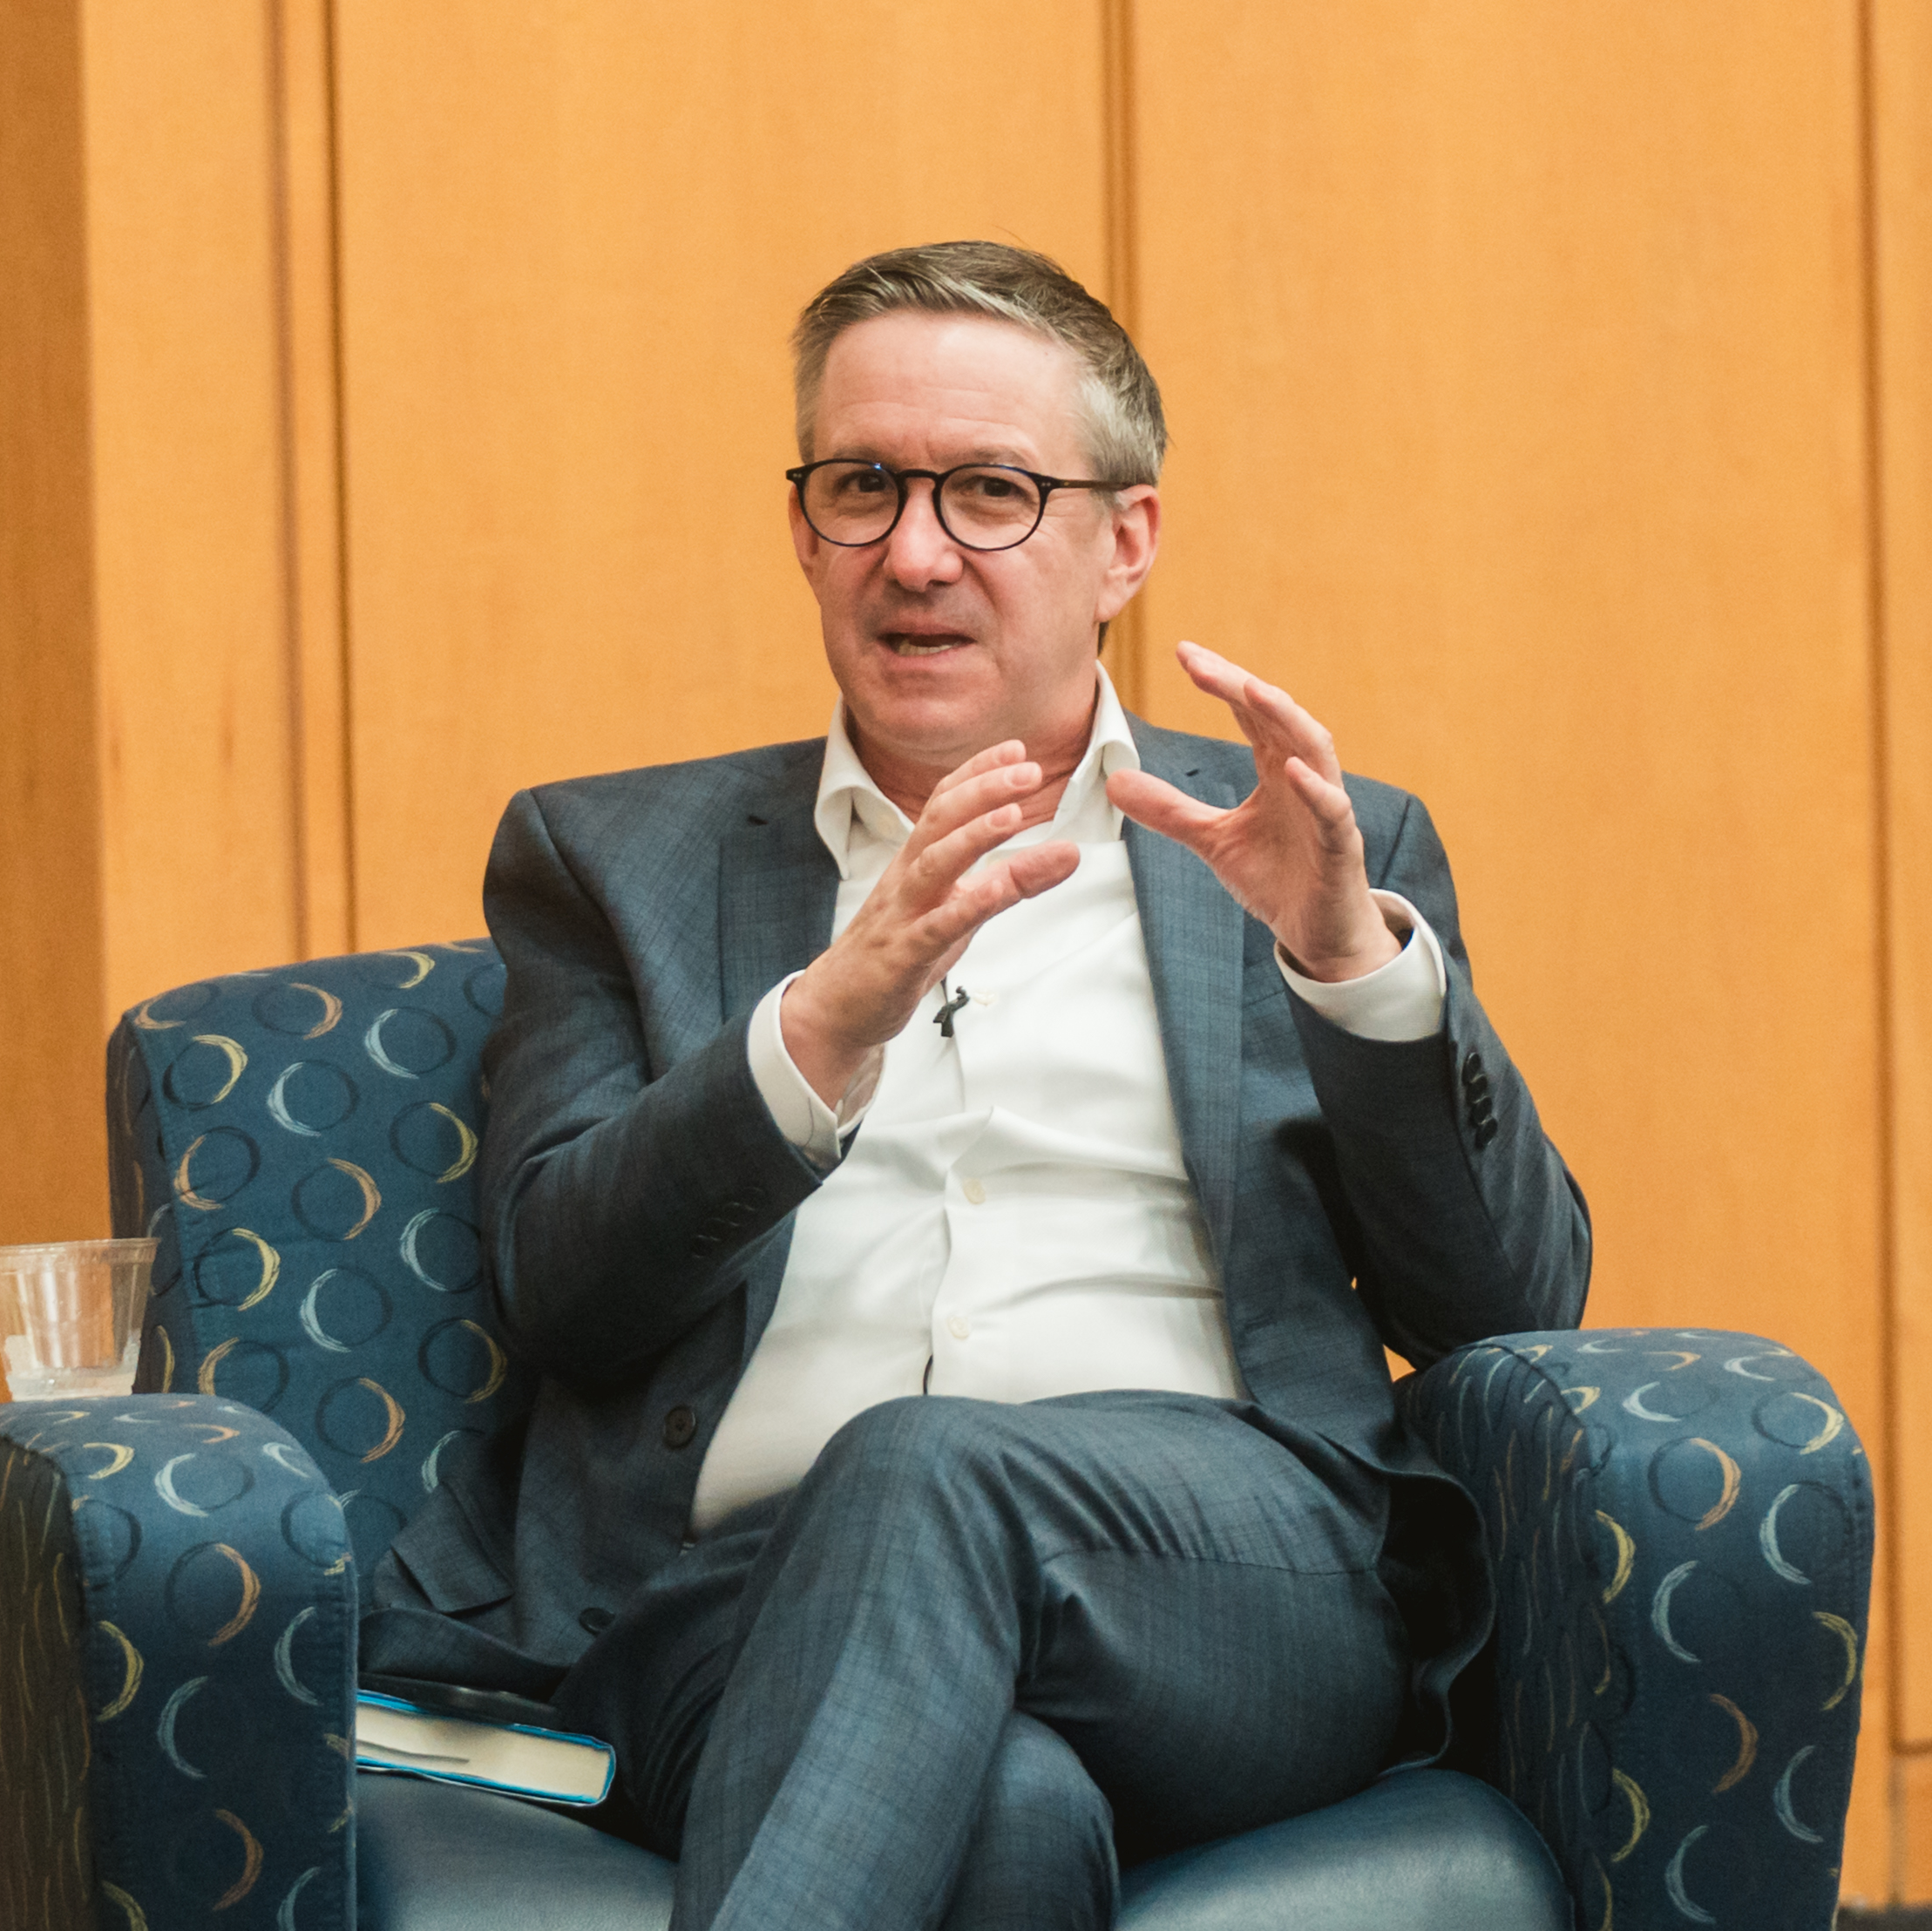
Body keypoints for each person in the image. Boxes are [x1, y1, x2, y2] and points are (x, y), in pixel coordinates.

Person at [358, 241, 1590, 1931]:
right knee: (1001, 1814)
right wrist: (822, 1031)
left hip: (1227, 1588)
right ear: (802, 526)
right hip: (733, 1602)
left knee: (929, 1466)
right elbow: (567, 1289)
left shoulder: (1314, 849)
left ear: (1124, 540)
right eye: (863, 485)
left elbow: (1508, 1300)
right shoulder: (610, 857)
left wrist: (1347, 966)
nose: (915, 553)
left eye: (991, 492)